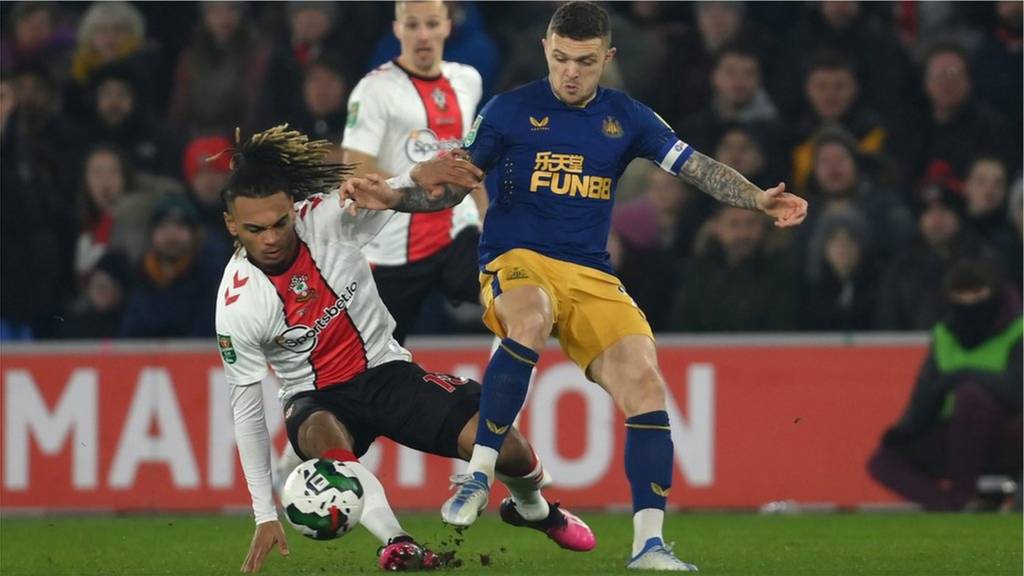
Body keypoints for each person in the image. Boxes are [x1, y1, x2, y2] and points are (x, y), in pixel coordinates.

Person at [341, 2, 807, 571]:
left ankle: (649, 546)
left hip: (590, 273)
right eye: (561, 58)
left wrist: (756, 198)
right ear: (545, 49)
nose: (570, 72)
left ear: (607, 58)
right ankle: (478, 474)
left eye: (584, 62)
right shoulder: (508, 110)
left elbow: (694, 166)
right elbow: (452, 187)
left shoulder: (628, 116)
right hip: (516, 259)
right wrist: (394, 195)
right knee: (530, 316)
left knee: (646, 384)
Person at [215, 126, 594, 573]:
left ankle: (532, 508)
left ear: (292, 209)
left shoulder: (326, 219)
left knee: (507, 447)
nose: (272, 238)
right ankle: (398, 543)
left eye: (281, 223)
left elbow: (392, 193)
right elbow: (247, 411)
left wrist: (418, 174)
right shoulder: (238, 305)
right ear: (232, 225)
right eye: (256, 229)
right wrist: (264, 513)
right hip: (314, 396)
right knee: (322, 436)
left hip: (388, 373)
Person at [342, 0, 485, 344]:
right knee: (375, 358)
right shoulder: (374, 89)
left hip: (457, 233)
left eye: (432, 24)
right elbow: (356, 168)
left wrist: (485, 219)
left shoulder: (468, 80)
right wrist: (419, 180)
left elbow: (469, 162)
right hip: (392, 249)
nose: (423, 35)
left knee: (512, 298)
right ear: (397, 29)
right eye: (412, 25)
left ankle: (512, 377)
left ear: (447, 26)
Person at [867, 259, 1022, 511]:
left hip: (1009, 435)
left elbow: (1017, 390)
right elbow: (925, 395)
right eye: (960, 294)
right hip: (957, 438)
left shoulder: (1018, 330)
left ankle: (963, 495)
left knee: (970, 397)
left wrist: (960, 376)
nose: (969, 302)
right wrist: (905, 430)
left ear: (994, 292)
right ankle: (956, 505)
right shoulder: (944, 335)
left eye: (977, 292)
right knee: (882, 462)